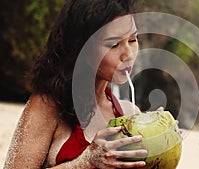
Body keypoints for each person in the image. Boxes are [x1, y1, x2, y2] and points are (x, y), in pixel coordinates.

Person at [4, 0, 148, 168]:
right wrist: (85, 162)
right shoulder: (48, 106)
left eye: (132, 39)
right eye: (114, 44)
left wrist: (163, 138)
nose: (129, 54)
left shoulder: (129, 112)